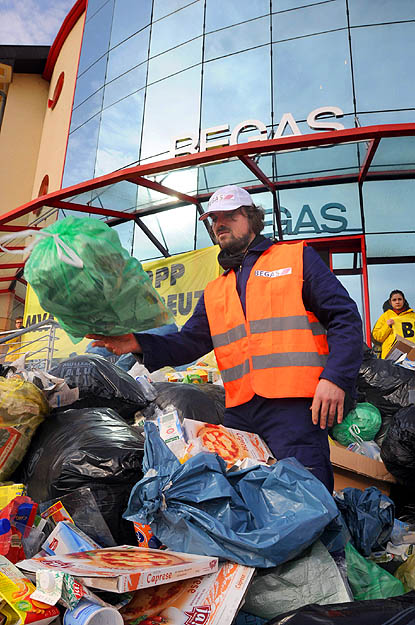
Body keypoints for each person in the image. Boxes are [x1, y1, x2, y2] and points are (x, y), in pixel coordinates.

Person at [88, 185, 363, 492]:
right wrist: (138, 343)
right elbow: (188, 343)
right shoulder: (216, 290)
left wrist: (335, 378)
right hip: (241, 412)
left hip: (294, 407)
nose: (220, 223)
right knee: (246, 496)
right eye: (214, 218)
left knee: (307, 496)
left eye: (230, 215)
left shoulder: (297, 258)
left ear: (252, 218)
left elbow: (345, 318)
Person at [372, 290, 415, 359]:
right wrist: (387, 326)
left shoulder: (413, 316)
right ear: (390, 302)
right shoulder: (385, 316)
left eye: (399, 299)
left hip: (411, 355)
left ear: (404, 300)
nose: (397, 302)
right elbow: (377, 337)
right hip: (391, 356)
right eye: (394, 300)